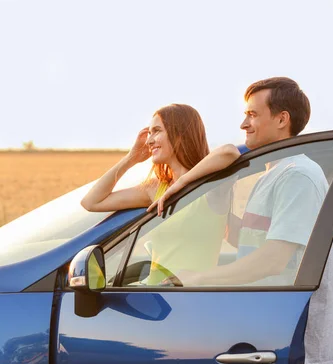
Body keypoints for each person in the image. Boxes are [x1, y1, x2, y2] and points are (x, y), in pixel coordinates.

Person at [150, 77, 333, 364]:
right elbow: (246, 239)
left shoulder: (298, 175)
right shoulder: (270, 175)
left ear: (281, 119)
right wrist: (216, 204)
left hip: (297, 348)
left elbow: (273, 260)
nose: (243, 124)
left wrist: (198, 279)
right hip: (274, 333)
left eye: (252, 114)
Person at [81, 103, 229, 285]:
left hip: (192, 297)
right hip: (156, 295)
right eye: (149, 133)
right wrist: (131, 158)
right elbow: (91, 202)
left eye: (157, 131)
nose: (149, 141)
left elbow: (229, 152)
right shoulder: (156, 189)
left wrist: (183, 182)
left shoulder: (211, 185)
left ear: (180, 135)